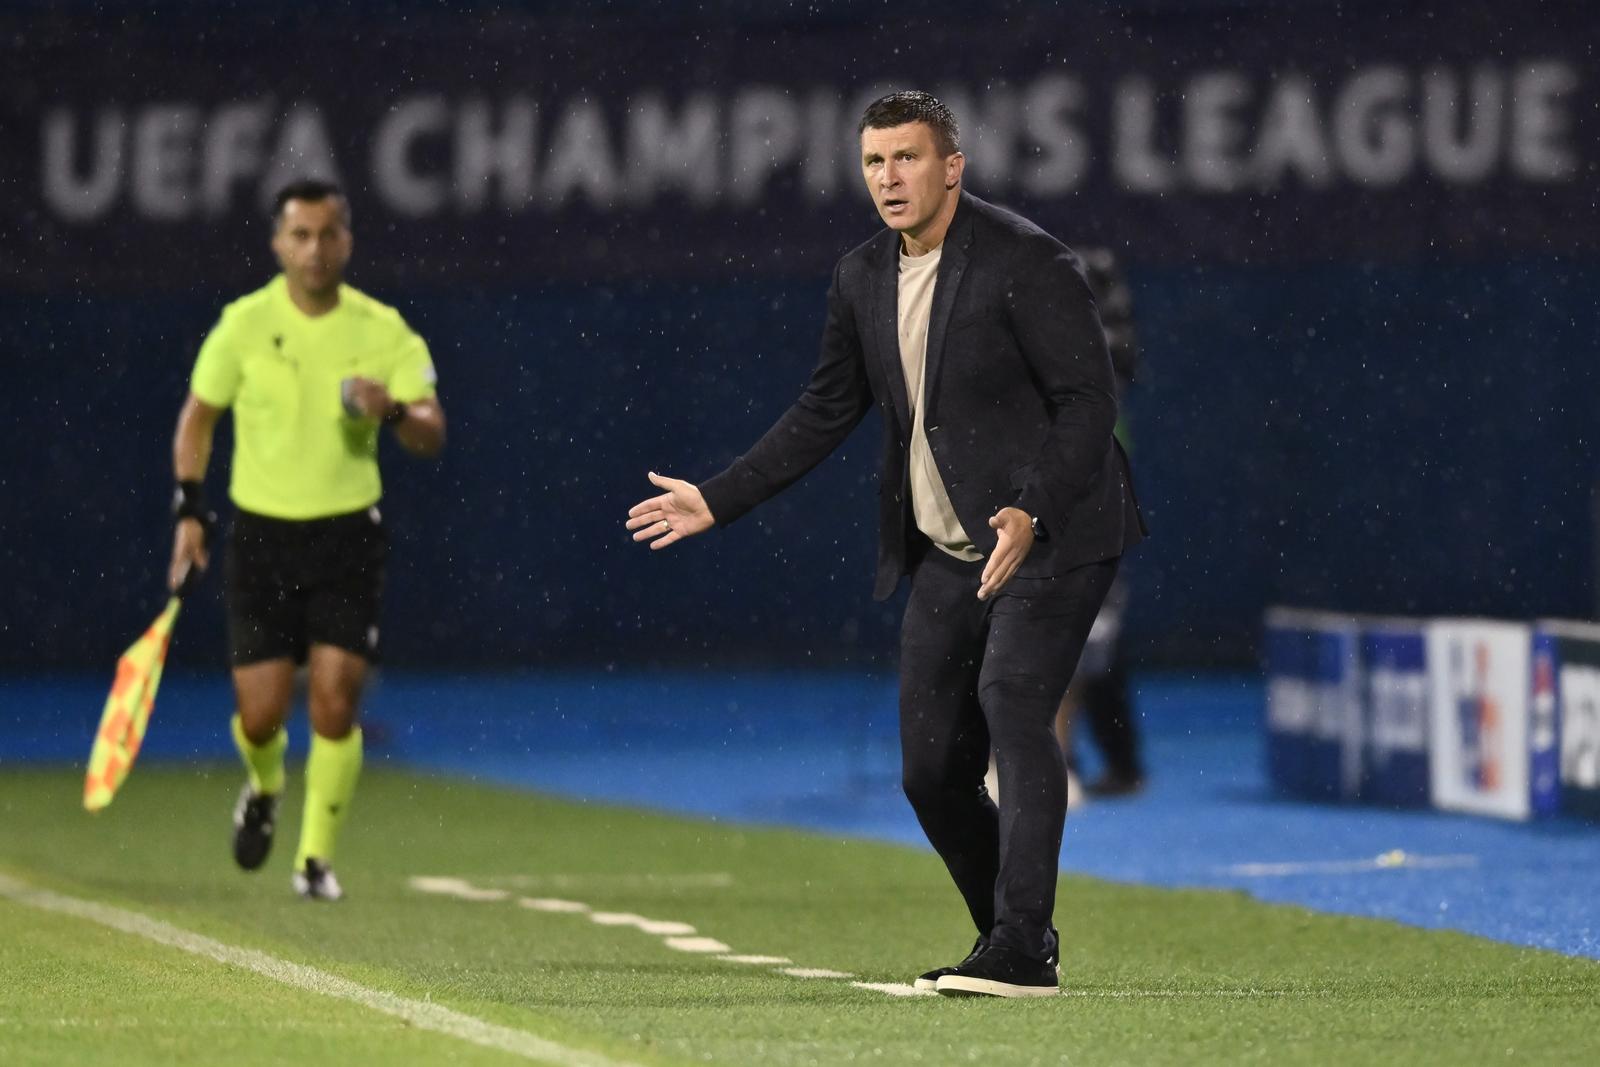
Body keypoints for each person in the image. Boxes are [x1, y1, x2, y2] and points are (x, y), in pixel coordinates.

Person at [627, 91, 1144, 997]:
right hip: (950, 550)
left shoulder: (1028, 260)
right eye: (874, 162)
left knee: (1014, 706)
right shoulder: (861, 276)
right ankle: (1014, 941)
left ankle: (1021, 945)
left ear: (954, 165)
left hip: (1054, 533)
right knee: (930, 769)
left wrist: (1030, 508)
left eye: (908, 158)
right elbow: (826, 407)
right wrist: (720, 496)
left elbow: (1087, 402)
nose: (889, 178)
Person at [167, 179, 446, 901]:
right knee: (260, 716)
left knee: (333, 702)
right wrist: (189, 510)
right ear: (278, 243)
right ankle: (263, 787)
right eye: (301, 235)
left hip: (348, 538)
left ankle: (315, 859)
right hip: (261, 538)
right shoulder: (243, 323)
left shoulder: (382, 329)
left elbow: (431, 432)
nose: (315, 249)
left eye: (328, 235)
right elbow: (198, 416)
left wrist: (388, 412)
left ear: (346, 241)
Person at [1054, 246, 1147, 799]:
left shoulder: (1103, 357)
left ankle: (1061, 758)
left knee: (1087, 634)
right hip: (1036, 500)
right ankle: (1104, 757)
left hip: (1094, 500)